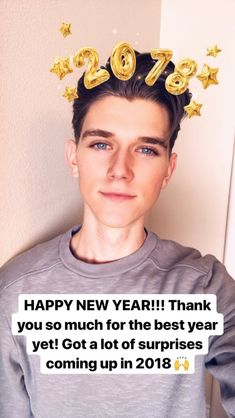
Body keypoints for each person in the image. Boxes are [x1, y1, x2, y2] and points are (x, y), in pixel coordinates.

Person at [0, 51, 235, 418]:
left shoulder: (202, 285)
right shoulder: (14, 291)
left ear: (169, 169)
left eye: (145, 149)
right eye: (101, 144)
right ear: (73, 157)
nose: (120, 170)